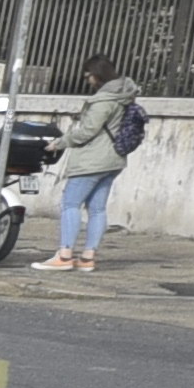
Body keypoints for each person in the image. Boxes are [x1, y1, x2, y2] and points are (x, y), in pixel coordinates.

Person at [49, 50, 143, 271]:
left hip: (92, 160)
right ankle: (88, 258)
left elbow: (88, 131)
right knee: (97, 209)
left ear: (97, 74)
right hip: (114, 159)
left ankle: (64, 256)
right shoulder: (124, 96)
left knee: (71, 204)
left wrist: (60, 142)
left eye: (87, 75)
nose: (87, 80)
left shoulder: (103, 101)